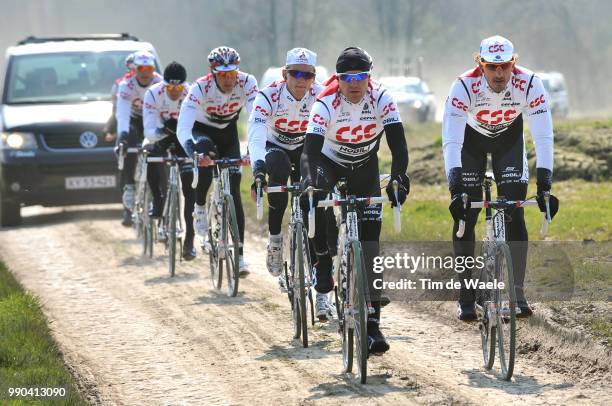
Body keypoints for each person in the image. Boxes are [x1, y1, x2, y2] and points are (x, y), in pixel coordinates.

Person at [441, 35, 559, 321]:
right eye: (492, 67)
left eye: (505, 66)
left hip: (509, 142)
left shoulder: (530, 83)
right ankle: (466, 295)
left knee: (516, 213)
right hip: (470, 143)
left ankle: (517, 292)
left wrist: (544, 185)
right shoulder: (463, 85)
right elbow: (451, 141)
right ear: (480, 64)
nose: (499, 73)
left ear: (513, 64)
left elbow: (543, 135)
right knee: (465, 217)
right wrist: (455, 189)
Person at [301, 47, 410, 354]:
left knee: (371, 241)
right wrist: (310, 183)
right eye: (347, 77)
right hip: (329, 161)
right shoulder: (325, 102)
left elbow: (398, 145)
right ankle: (323, 262)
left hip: (365, 164)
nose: (354, 83)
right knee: (318, 199)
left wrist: (399, 176)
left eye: (360, 76)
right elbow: (309, 151)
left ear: (369, 77)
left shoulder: (383, 98)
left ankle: (373, 326)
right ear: (338, 79)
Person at [247, 48, 331, 316]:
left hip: (306, 148)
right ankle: (274, 239)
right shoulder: (268, 95)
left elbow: (331, 133)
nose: (301, 79)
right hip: (274, 147)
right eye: (295, 73)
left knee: (313, 211)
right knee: (280, 168)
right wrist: (258, 169)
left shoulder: (321, 94)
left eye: (307, 75)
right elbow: (256, 134)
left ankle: (322, 293)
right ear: (285, 74)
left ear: (313, 77)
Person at [177, 46, 258, 275]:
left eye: (232, 73)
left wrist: (253, 150)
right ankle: (200, 206)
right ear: (213, 73)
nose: (228, 79)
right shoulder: (200, 87)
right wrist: (193, 151)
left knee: (233, 188)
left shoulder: (248, 82)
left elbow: (256, 120)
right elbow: (183, 127)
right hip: (203, 132)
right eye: (222, 75)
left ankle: (240, 256)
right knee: (206, 159)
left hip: (228, 132)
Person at [143, 62, 196, 260]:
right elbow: (149, 130)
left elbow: (196, 126)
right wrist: (163, 131)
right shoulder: (153, 93)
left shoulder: (191, 93)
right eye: (170, 88)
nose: (174, 92)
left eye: (178, 88)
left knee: (190, 189)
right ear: (163, 85)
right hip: (160, 134)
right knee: (151, 156)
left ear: (185, 86)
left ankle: (190, 240)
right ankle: (157, 199)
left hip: (184, 137)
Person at [116, 50, 162, 226]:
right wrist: (122, 136)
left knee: (160, 150)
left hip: (153, 119)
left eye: (149, 68)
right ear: (134, 70)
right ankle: (129, 185)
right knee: (126, 144)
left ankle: (162, 196)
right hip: (134, 119)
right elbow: (122, 114)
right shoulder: (126, 85)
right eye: (141, 68)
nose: (145, 72)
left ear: (153, 69)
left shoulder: (160, 82)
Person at [104, 53, 136, 143]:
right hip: (131, 119)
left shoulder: (156, 82)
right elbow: (116, 110)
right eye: (133, 68)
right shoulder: (120, 84)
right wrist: (110, 131)